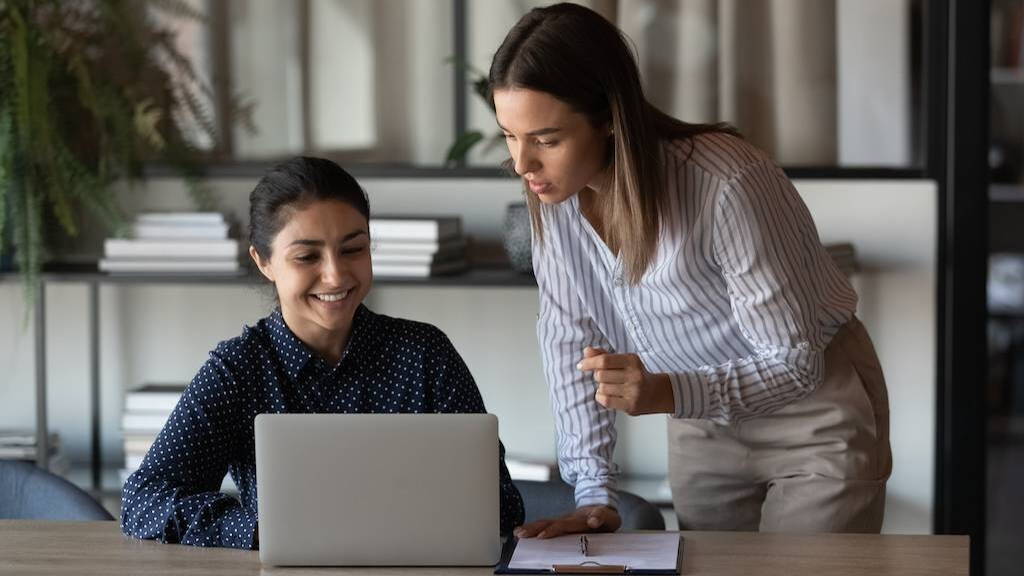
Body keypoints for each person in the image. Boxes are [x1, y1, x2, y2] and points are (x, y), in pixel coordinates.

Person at [490, 4, 891, 538]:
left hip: (812, 413)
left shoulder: (726, 181)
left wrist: (664, 394)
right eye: (509, 137)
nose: (522, 165)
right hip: (699, 428)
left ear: (609, 117)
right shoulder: (554, 202)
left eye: (546, 139)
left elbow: (796, 365)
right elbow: (570, 345)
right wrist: (593, 494)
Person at [120, 157, 525, 548]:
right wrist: (263, 529)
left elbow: (502, 506)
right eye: (307, 256)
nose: (335, 274)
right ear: (264, 262)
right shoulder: (239, 370)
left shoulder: (426, 355)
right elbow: (142, 502)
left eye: (353, 249)